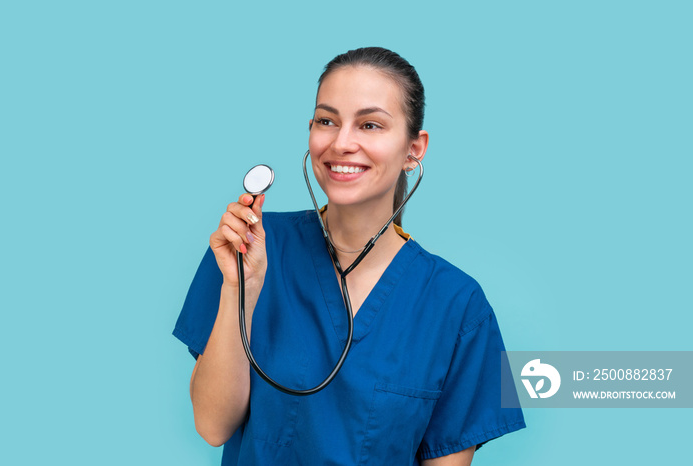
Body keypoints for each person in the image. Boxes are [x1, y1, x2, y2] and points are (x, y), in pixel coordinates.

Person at [173, 47, 526, 465]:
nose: (342, 143)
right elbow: (213, 427)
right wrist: (240, 288)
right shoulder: (248, 248)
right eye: (327, 121)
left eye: (370, 124)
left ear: (415, 149)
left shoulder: (458, 306)